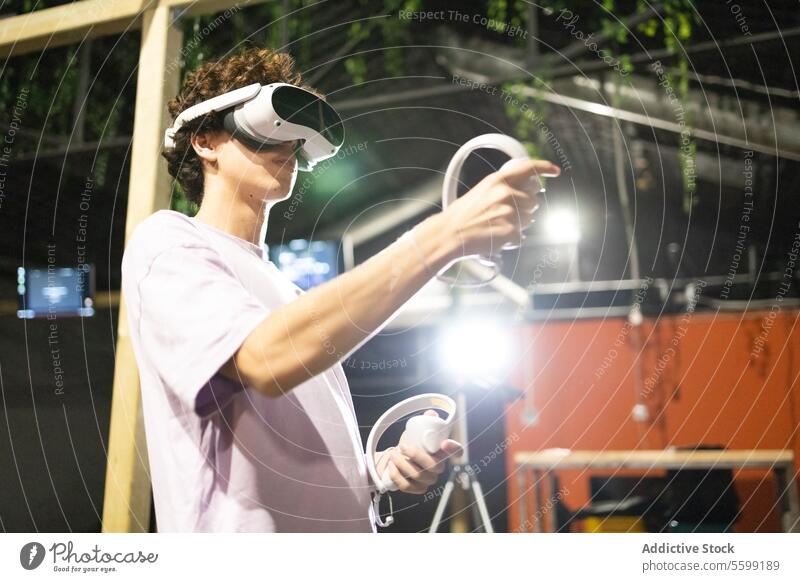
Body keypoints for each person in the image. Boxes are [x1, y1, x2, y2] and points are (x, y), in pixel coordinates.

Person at [120, 47, 560, 532]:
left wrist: (379, 470)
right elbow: (264, 362)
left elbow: (282, 449)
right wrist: (444, 236)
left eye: (296, 136)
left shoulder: (285, 292)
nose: (288, 144)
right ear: (204, 140)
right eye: (272, 126)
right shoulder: (167, 243)